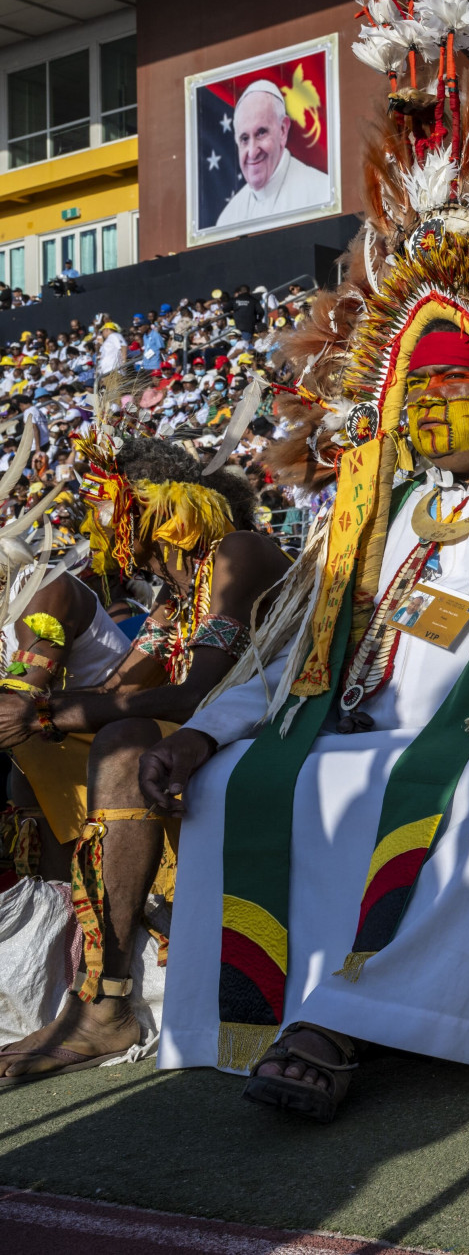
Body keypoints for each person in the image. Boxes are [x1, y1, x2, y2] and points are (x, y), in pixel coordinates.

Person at [141, 39, 469, 1123]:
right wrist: (207, 727)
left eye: (454, 386)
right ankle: (257, 1009)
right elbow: (286, 654)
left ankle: (350, 1021)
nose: (431, 408)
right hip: (353, 733)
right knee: (226, 779)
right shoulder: (371, 513)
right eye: (414, 390)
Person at [0, 439, 284, 1083]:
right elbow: (116, 692)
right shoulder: (171, 600)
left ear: (163, 509)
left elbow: (195, 696)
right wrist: (33, 711)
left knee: (123, 740)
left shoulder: (237, 553)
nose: (107, 534)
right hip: (211, 739)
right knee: (87, 737)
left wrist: (39, 710)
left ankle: (108, 1003)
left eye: (117, 513)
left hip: (278, 733)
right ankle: (109, 976)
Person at [213, 81, 333, 228]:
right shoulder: (228, 218)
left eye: (261, 133)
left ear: (283, 130)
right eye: (244, 139)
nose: (252, 152)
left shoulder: (322, 193)